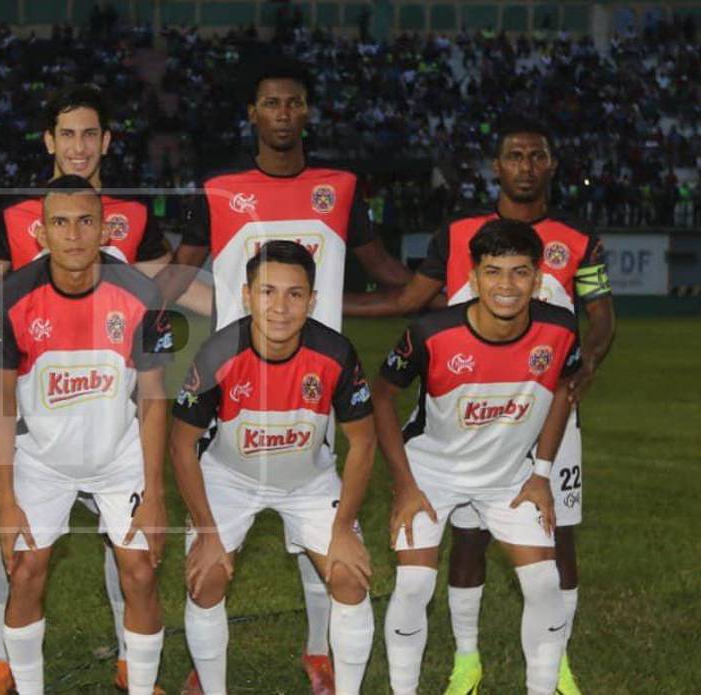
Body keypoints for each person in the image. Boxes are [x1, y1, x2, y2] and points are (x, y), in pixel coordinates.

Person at [154, 57, 411, 694]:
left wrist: (455, 295)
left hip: (313, 391)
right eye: (271, 102)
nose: (283, 113)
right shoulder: (220, 189)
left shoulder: (340, 188)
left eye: (294, 102)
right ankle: (209, 671)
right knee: (208, 570)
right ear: (253, 113)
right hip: (235, 394)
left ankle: (320, 656)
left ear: (307, 111)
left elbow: (388, 273)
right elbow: (180, 272)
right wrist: (129, 315)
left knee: (333, 555)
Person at [345, 116, 615, 695]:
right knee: (462, 543)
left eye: (536, 155)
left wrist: (584, 363)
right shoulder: (456, 238)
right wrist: (321, 307)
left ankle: (555, 666)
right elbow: (410, 305)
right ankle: (466, 660)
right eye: (514, 155)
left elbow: (599, 316)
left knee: (557, 540)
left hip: (538, 412)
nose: (526, 166)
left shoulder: (577, 241)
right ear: (497, 166)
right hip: (459, 426)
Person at [0, 84, 171, 695]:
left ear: (105, 226)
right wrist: (4, 497)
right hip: (43, 451)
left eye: (87, 222)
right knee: (24, 564)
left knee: (138, 567)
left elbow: (155, 396)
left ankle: (137, 675)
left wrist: (156, 491)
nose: (75, 233)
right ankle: (13, 670)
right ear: (41, 231)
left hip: (118, 447)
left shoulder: (137, 287)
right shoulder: (13, 294)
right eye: (61, 223)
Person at [375, 219, 581, 695]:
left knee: (544, 583)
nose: (506, 285)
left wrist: (541, 474)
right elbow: (383, 396)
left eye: (519, 272)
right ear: (473, 277)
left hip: (509, 477)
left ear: (537, 279)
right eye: (493, 271)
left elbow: (563, 388)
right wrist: (405, 485)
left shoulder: (560, 329)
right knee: (413, 584)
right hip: (430, 473)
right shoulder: (431, 332)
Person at [171, 241, 377, 695]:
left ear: (312, 300)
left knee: (349, 577)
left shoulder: (336, 352)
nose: (280, 307)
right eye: (267, 292)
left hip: (308, 481)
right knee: (206, 580)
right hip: (230, 479)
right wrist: (207, 533)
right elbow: (182, 445)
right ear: (247, 295)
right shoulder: (217, 353)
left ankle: (338, 679)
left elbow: (363, 442)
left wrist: (343, 527)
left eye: (294, 294)